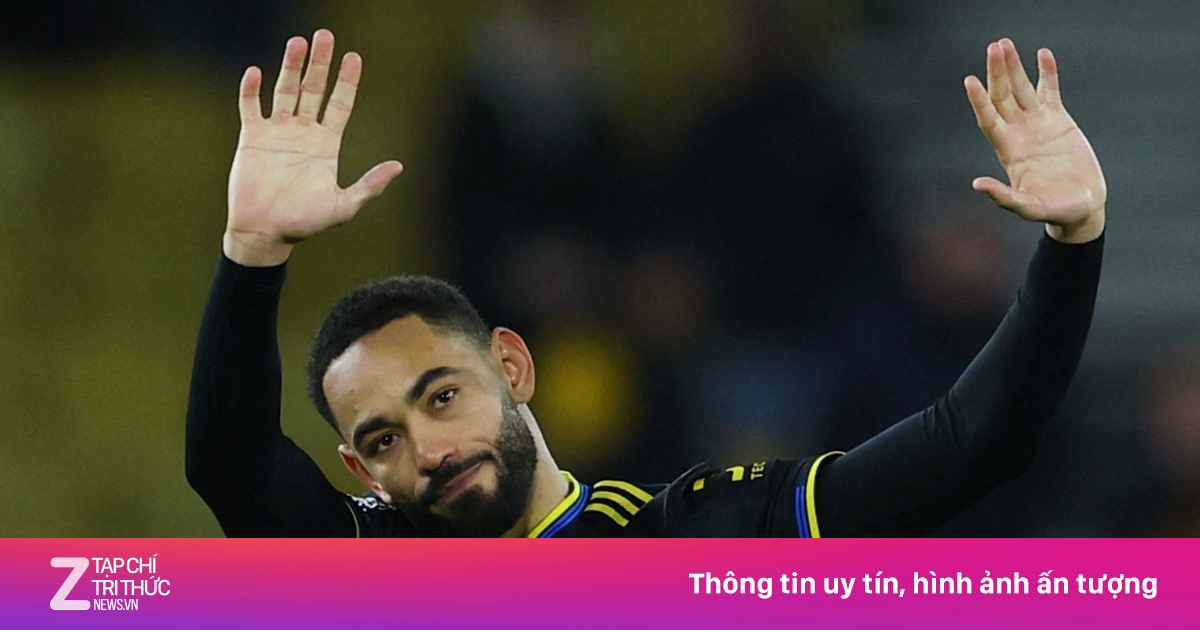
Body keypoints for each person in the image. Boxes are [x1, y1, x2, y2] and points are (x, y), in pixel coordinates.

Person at [186, 30, 1106, 537]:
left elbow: (969, 442)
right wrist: (251, 250)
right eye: (383, 438)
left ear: (512, 365)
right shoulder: (367, 568)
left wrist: (1072, 243)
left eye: (441, 395)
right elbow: (231, 470)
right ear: (362, 474)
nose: (427, 447)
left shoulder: (685, 537)